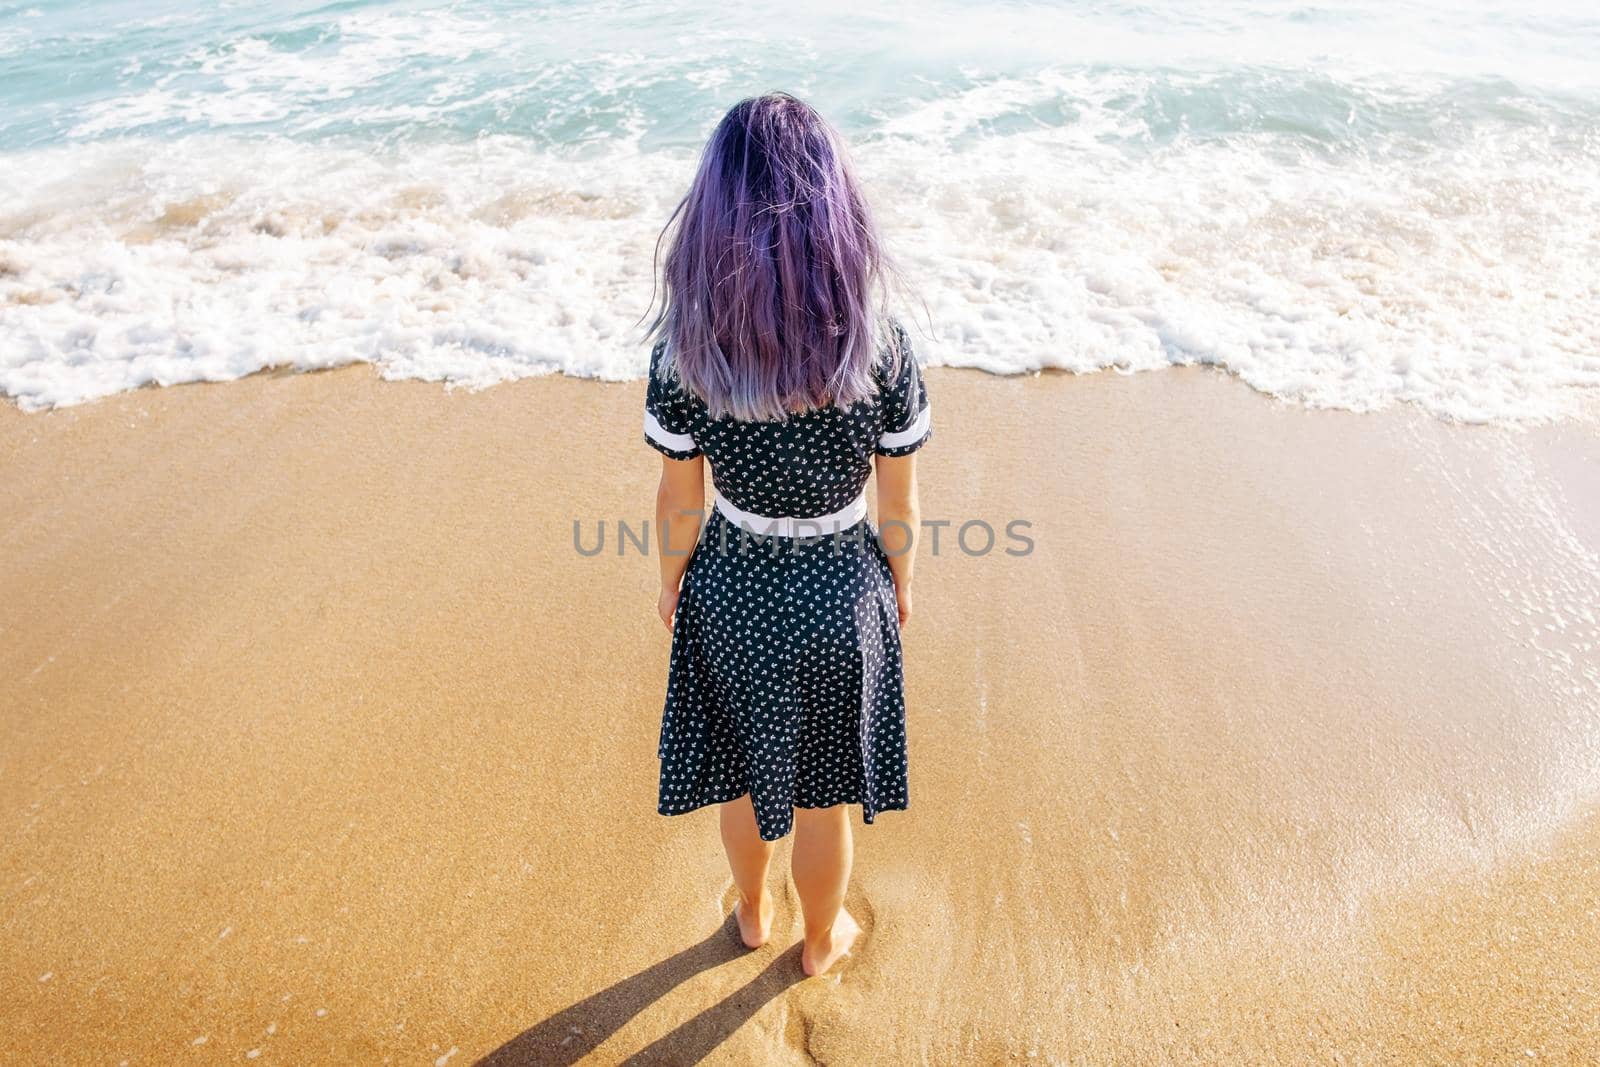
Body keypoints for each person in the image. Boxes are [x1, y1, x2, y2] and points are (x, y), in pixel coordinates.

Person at [641, 92, 931, 977]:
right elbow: (900, 503)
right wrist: (901, 585)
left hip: (731, 586)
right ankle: (819, 941)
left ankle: (756, 912)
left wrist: (669, 580)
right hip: (843, 593)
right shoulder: (879, 344)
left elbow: (677, 498)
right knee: (825, 799)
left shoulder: (685, 350)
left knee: (739, 774)